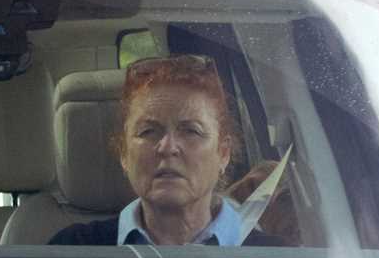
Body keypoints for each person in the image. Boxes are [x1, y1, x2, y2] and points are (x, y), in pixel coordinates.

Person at [50, 54, 282, 246]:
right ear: (123, 153)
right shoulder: (71, 251)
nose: (167, 147)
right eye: (148, 131)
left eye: (191, 131)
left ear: (223, 153)